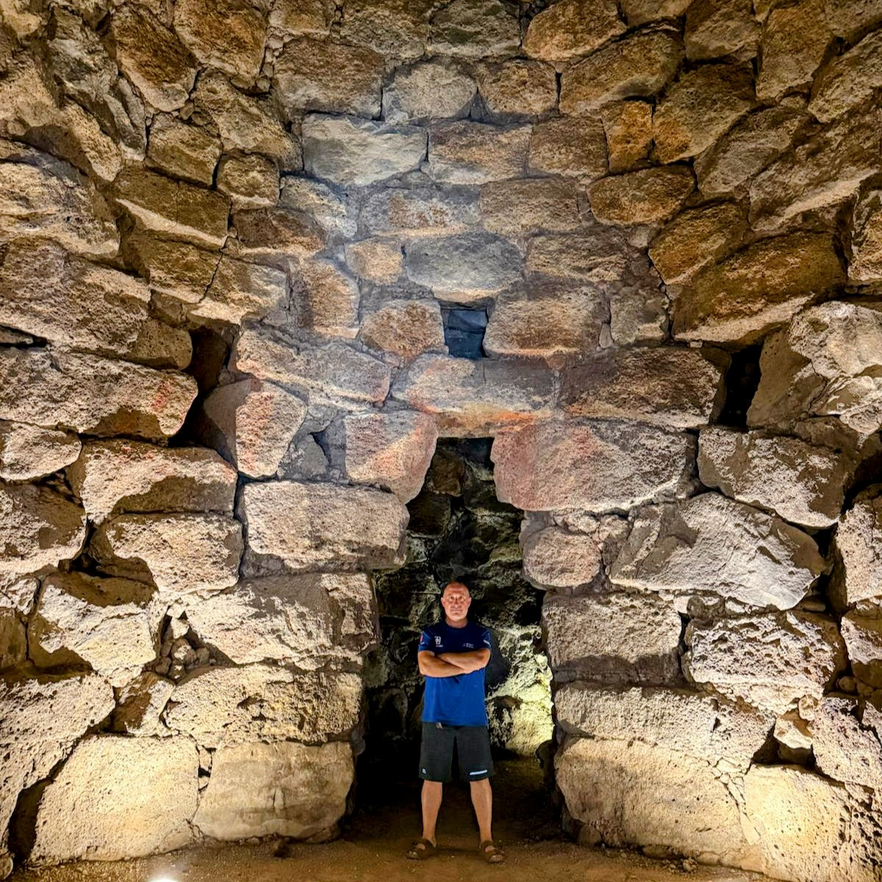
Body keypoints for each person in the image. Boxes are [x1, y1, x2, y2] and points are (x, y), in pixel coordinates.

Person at [406, 580, 504, 864]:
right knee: (432, 778)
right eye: (451, 597)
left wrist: (444, 658)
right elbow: (426, 666)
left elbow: (480, 661)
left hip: (471, 717)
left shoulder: (480, 633)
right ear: (443, 601)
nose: (457, 602)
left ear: (469, 601)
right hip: (437, 716)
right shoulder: (431, 633)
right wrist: (462, 661)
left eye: (461, 597)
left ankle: (486, 839)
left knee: (480, 779)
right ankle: (428, 837)